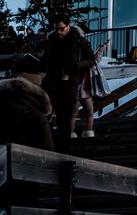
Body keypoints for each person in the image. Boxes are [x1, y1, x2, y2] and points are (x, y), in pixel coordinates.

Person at [41, 15, 96, 149]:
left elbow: (91, 60)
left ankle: (63, 148)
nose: (59, 32)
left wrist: (76, 66)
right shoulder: (52, 40)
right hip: (51, 84)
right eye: (56, 29)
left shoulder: (78, 40)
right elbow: (45, 61)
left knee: (64, 118)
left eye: (61, 29)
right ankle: (49, 145)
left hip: (69, 85)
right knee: (44, 114)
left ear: (68, 26)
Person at [73, 39, 109, 138]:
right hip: (78, 90)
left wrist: (102, 49)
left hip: (86, 90)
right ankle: (73, 133)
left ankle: (87, 132)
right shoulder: (78, 60)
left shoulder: (89, 61)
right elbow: (95, 59)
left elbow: (95, 60)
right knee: (74, 114)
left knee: (89, 112)